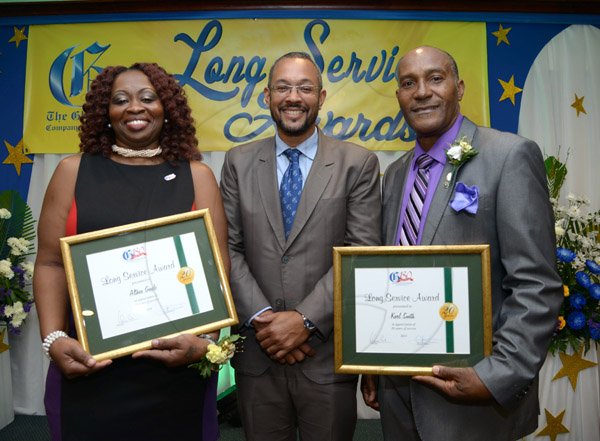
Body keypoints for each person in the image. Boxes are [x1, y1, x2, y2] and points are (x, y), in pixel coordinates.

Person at [360, 45, 563, 441]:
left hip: (475, 405)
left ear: (459, 87)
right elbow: (389, 278)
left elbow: (537, 284)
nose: (421, 91)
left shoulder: (509, 156)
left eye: (435, 78)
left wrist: (495, 376)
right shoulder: (397, 175)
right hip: (399, 400)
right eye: (408, 83)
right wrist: (372, 361)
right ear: (399, 96)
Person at [33, 62, 229, 441]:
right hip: (89, 364)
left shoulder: (197, 176)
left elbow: (216, 269)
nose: (134, 107)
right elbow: (51, 263)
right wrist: (54, 339)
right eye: (120, 100)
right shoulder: (72, 171)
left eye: (147, 98)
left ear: (167, 108)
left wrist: (205, 343)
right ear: (104, 113)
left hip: (175, 369)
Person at [220, 51, 381, 441]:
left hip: (325, 357)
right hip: (257, 356)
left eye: (305, 88)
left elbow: (360, 254)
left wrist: (303, 322)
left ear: (322, 97)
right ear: (266, 96)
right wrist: (264, 321)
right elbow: (228, 248)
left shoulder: (357, 163)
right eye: (283, 87)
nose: (294, 97)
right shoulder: (238, 162)